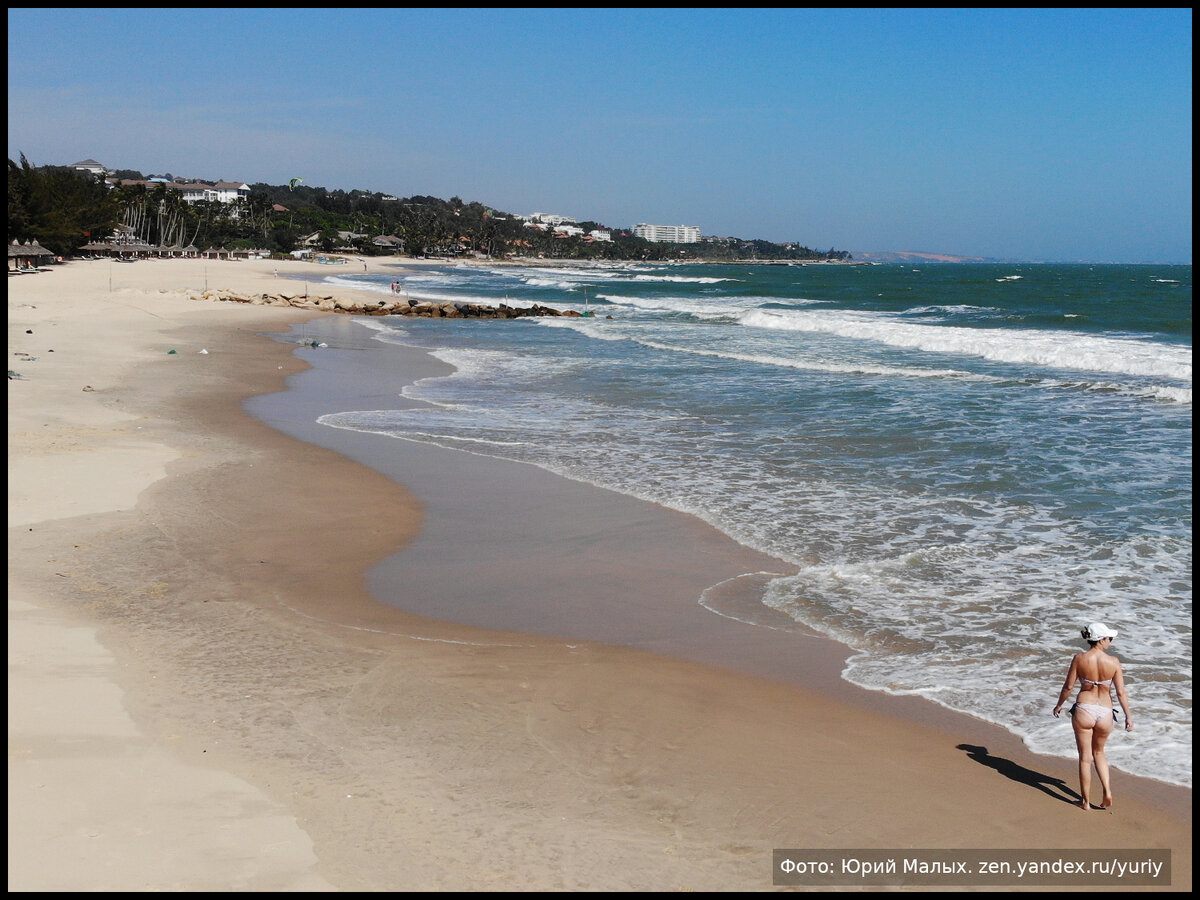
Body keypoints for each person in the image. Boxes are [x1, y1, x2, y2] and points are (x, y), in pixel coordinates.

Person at [1052, 622, 1133, 809]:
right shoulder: (1113, 662)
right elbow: (1121, 692)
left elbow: (1069, 687)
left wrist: (1059, 705)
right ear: (1101, 639)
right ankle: (1107, 791)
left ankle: (1085, 802)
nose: (1110, 642)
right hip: (1105, 712)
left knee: (1085, 757)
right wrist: (1128, 716)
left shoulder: (1079, 658)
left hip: (1085, 709)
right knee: (1100, 753)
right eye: (1109, 638)